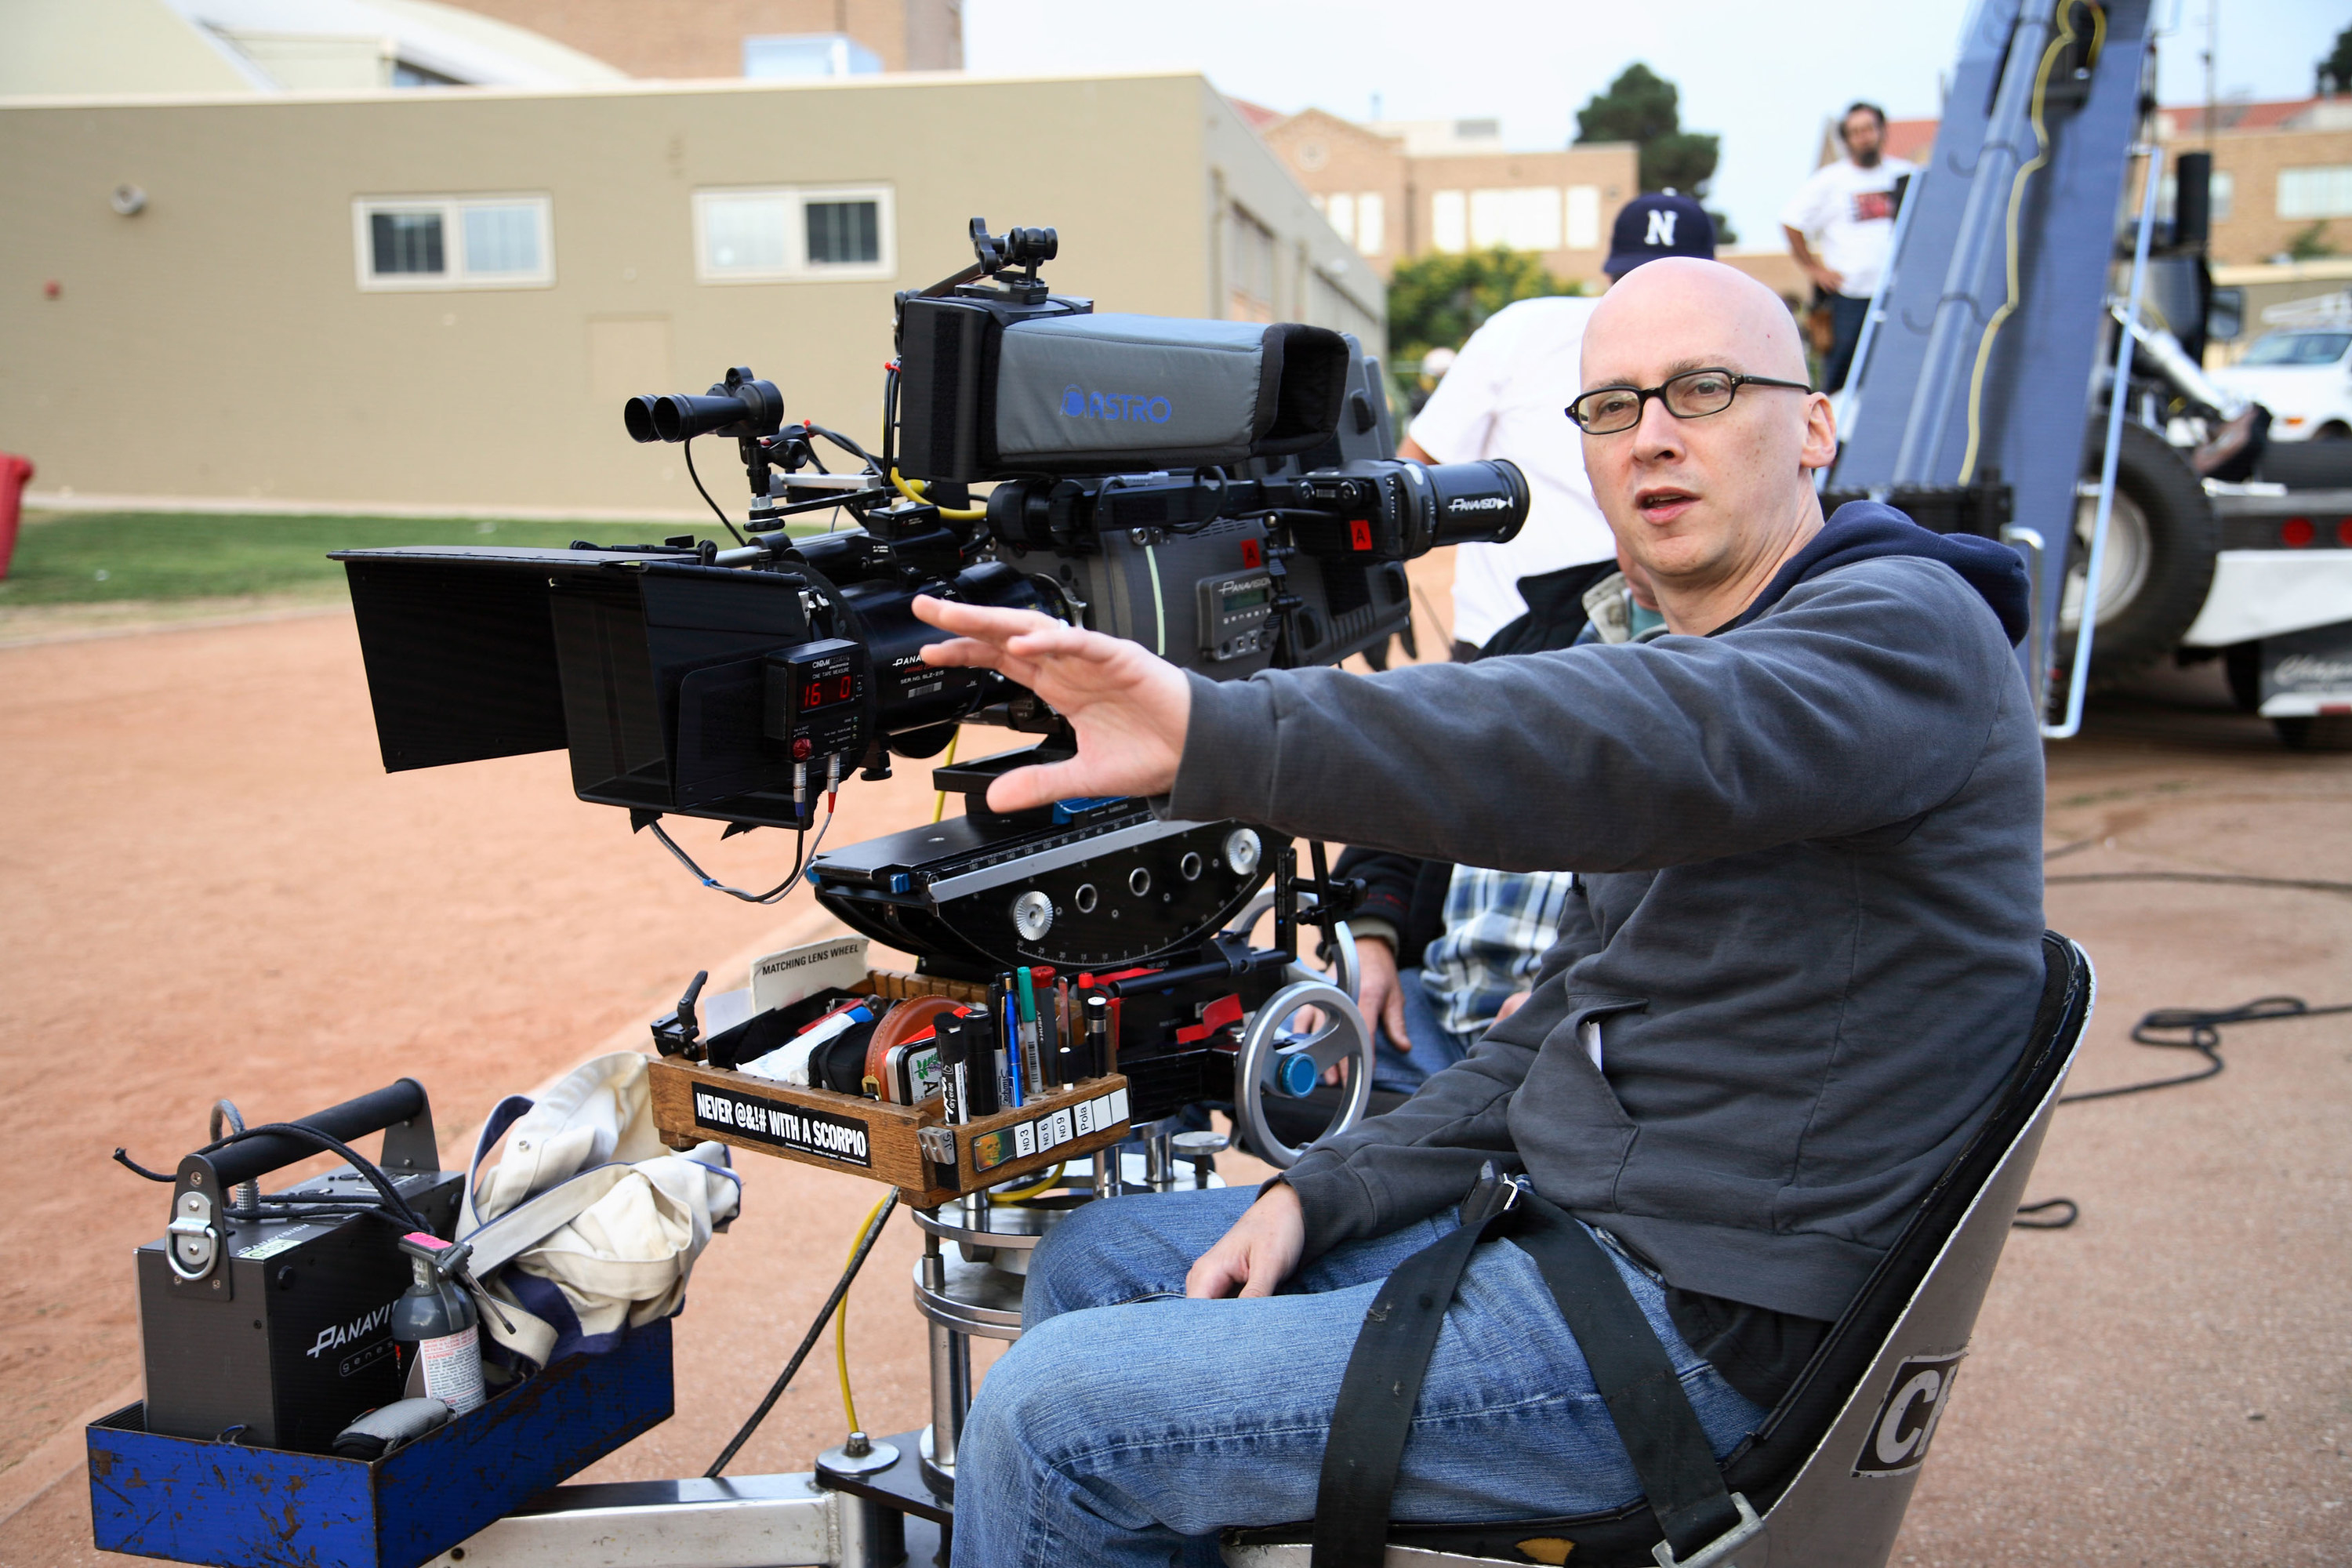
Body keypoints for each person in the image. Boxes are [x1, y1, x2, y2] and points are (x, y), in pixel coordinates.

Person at [912, 257, 2044, 1568]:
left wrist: (1221, 728)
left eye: (1705, 388)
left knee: (1050, 1423)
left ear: (1812, 426)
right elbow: (1540, 1038)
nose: (1653, 435)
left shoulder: (1899, 634)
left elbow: (1634, 743)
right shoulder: (1709, 661)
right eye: (1612, 407)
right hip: (1576, 1231)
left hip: (1698, 1328)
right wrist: (1321, 1195)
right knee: (1098, 1260)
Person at [1401, 191, 1715, 659]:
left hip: (1669, 644)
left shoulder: (1727, 368)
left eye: (1677, 287)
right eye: (1635, 282)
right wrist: (1376, 576)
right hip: (1509, 641)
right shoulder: (1522, 333)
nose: (1653, 303)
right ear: (1609, 279)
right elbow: (1414, 464)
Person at [1779, 102, 1915, 394]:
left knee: (1901, 373)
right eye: (1855, 132)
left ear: (1881, 130)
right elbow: (1791, 222)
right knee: (1842, 379)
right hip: (1849, 295)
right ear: (1847, 139)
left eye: (1868, 129)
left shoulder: (1906, 175)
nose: (1863, 137)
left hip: (1898, 291)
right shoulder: (1830, 181)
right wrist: (1814, 270)